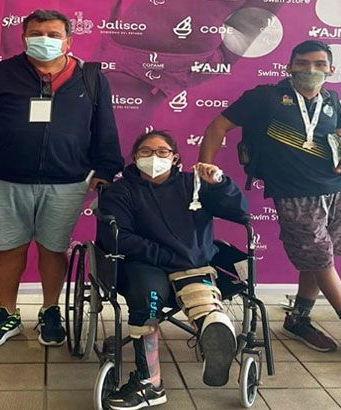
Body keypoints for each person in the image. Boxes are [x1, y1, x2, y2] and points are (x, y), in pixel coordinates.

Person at [199, 40, 341, 368]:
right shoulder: (265, 97)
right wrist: (205, 168)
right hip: (294, 194)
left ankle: (298, 318)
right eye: (302, 63)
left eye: (319, 64)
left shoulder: (332, 100)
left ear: (331, 69)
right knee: (321, 260)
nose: (310, 70)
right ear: (289, 67)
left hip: (338, 191)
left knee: (320, 257)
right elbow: (218, 126)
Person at [0, 9, 124, 349]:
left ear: (68, 41)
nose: (45, 40)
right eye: (36, 34)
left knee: (53, 249)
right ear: (24, 38)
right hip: (7, 180)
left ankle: (50, 311)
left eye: (53, 35)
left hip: (67, 182)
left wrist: (106, 170)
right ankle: (6, 313)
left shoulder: (91, 78)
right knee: (10, 248)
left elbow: (105, 129)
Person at [98, 131, 249, 409]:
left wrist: (220, 184)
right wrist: (165, 255)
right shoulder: (121, 191)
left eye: (162, 151)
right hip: (146, 264)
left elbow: (240, 212)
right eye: (145, 151)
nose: (154, 157)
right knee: (148, 296)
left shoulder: (195, 184)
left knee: (197, 283)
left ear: (175, 158)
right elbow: (118, 238)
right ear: (134, 157)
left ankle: (213, 328)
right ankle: (150, 383)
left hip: (194, 265)